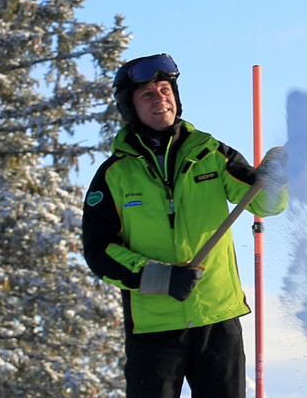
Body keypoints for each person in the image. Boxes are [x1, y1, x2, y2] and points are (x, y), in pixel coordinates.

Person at [80, 52, 288, 398]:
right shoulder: (114, 176)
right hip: (154, 331)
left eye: (165, 89)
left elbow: (263, 203)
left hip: (217, 322)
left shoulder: (210, 152)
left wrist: (279, 177)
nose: (160, 98)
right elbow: (99, 251)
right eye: (147, 94)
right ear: (130, 107)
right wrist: (159, 277)